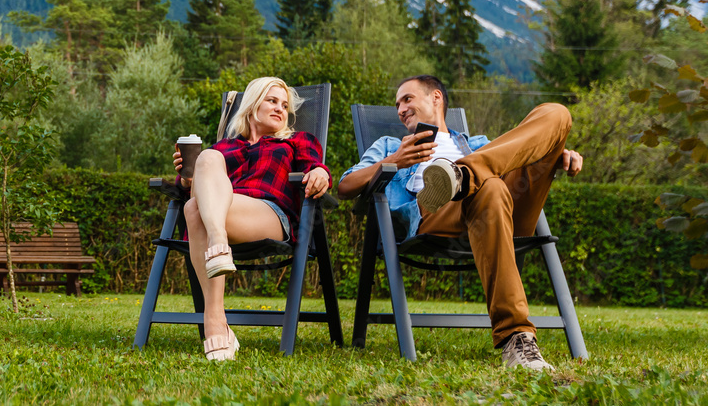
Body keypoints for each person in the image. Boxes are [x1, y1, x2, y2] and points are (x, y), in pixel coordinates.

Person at [337, 75, 583, 371]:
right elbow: (345, 186)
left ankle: (462, 174)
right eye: (397, 104)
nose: (400, 109)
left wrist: (553, 155)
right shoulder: (391, 144)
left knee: (557, 113)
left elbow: (519, 159)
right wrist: (396, 160)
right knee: (489, 186)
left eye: (407, 99)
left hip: (505, 212)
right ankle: (517, 338)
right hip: (438, 212)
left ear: (436, 98)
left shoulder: (478, 143)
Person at [174, 76, 331, 361]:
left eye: (284, 105)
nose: (280, 109)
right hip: (219, 218)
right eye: (272, 101)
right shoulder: (224, 148)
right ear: (252, 104)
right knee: (198, 189)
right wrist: (186, 177)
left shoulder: (297, 140)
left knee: (196, 209)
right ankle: (217, 323)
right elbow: (192, 189)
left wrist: (320, 172)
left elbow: (315, 165)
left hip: (269, 214)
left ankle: (214, 320)